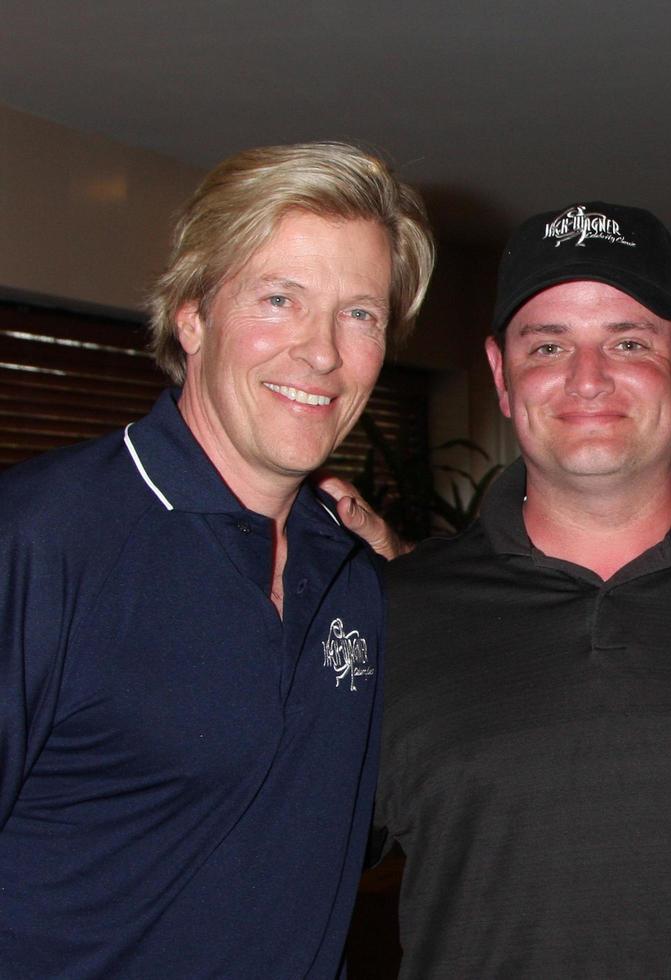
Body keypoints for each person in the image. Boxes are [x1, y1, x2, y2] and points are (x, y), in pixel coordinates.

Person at [367, 202, 671, 977]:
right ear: (501, 375)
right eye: (548, 344)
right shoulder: (392, 613)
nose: (586, 379)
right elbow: (263, 868)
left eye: (627, 342)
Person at [0, 141, 434, 977]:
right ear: (193, 315)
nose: (321, 353)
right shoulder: (43, 540)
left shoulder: (351, 573)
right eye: (280, 299)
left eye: (361, 314)